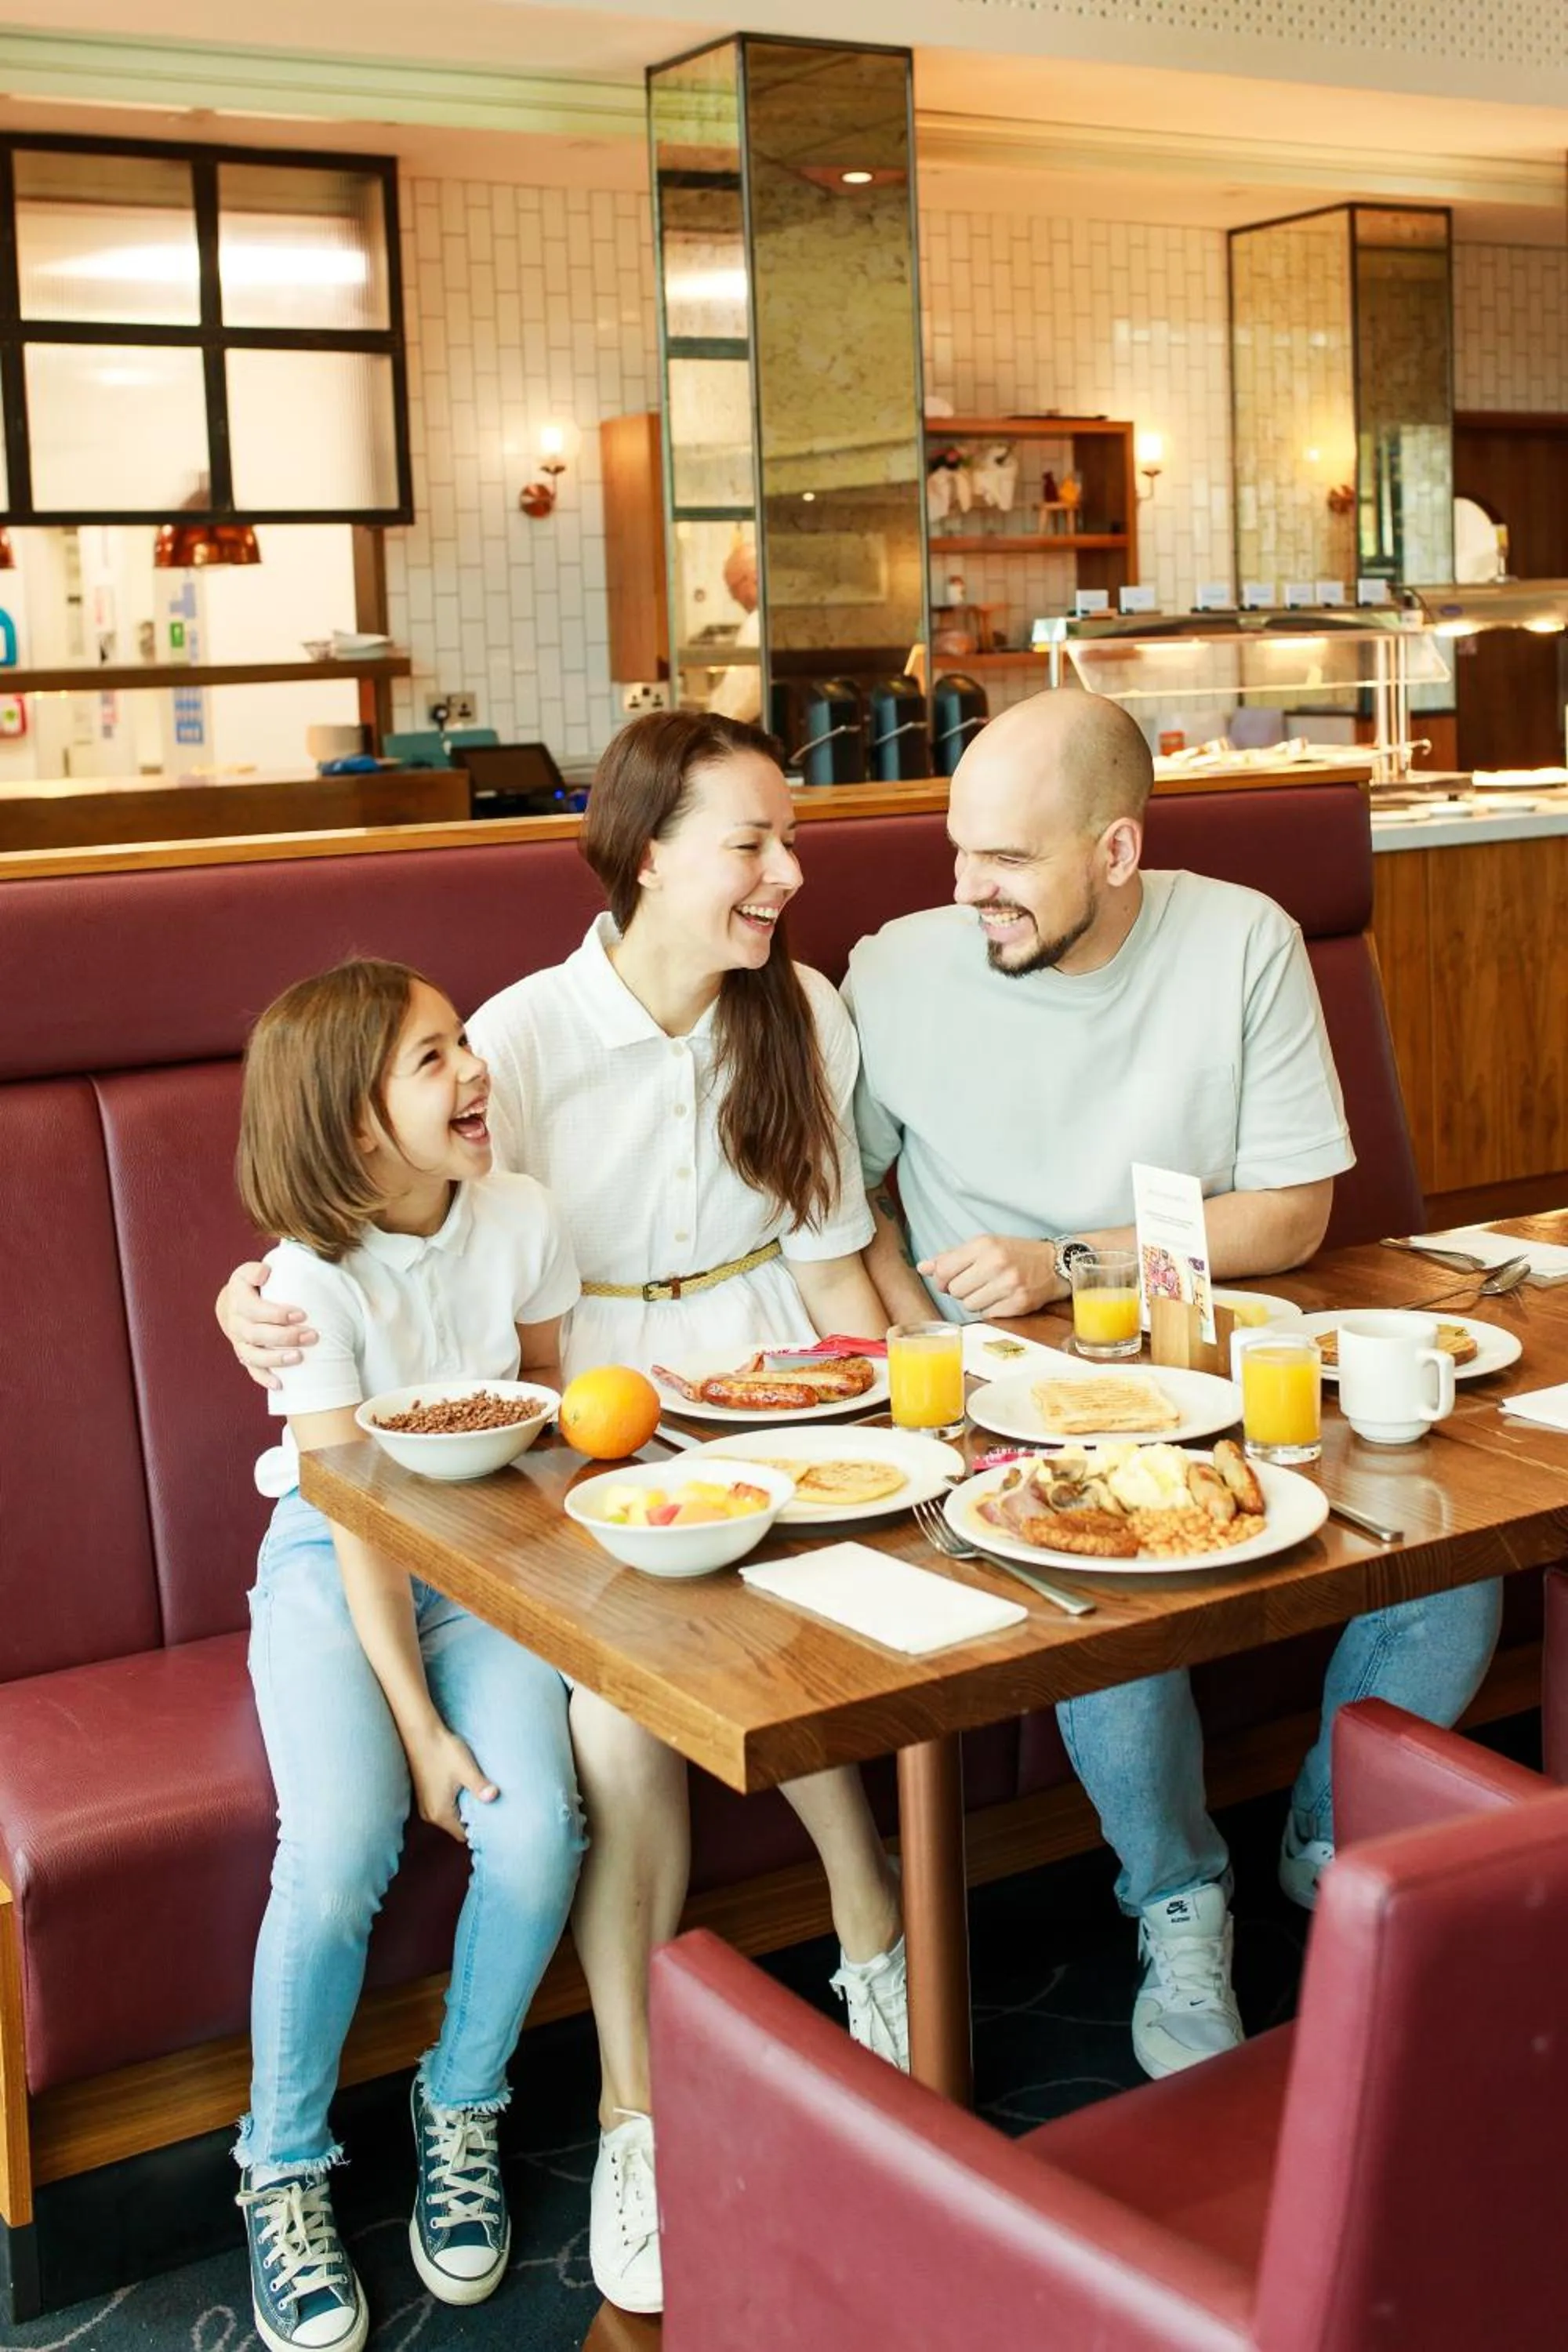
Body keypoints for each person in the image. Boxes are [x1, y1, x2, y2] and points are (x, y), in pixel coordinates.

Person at [217, 713, 906, 2319]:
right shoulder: (514, 1048)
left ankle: (874, 1951)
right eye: (754, 843)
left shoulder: (800, 1013)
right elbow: (380, 1248)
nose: (788, 874)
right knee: (590, 1741)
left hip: (750, 1393)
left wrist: (923, 1387)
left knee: (808, 1628)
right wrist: (253, 1290)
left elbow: (827, 1264)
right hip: (564, 1446)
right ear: (646, 848)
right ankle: (620, 2115)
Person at [848, 687, 1501, 2079]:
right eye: (961, 852)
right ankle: (1177, 1896)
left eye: (1009, 861)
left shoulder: (1244, 942)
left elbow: (1294, 1212)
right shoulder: (897, 971)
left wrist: (1062, 1260)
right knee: (1104, 1593)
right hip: (1012, 1397)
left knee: (1452, 1546)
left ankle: (1331, 1826)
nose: (972, 892)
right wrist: (939, 1354)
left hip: (1215, 1352)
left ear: (1118, 853)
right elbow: (836, 1212)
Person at [231, 958, 585, 2352]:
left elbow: (555, 1411)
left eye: (462, 1046)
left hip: (487, 1557)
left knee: (542, 1829)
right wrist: (420, 1729)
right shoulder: (307, 1285)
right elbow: (356, 1517)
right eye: (434, 1059)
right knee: (340, 1839)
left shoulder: (525, 1217)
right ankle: (285, 2164)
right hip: (338, 1564)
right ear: (355, 1124)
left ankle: (463, 2101)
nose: (475, 1070)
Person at [706, 536, 762, 724]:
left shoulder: (757, 623)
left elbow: (744, 697)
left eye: (733, 589)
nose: (735, 598)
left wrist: (714, 725)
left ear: (751, 579)